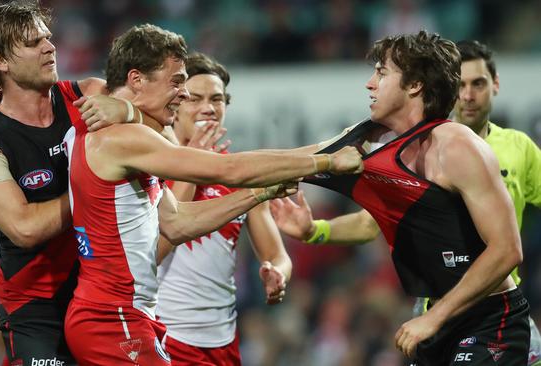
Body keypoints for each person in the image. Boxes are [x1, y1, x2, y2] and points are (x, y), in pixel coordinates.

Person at [63, 24, 362, 365]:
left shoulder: (123, 137)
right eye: (177, 82)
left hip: (128, 318)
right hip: (113, 316)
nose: (181, 93)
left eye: (213, 98)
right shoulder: (127, 139)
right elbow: (230, 170)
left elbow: (176, 223)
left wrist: (260, 193)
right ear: (137, 79)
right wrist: (325, 158)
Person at [272, 38, 541, 366]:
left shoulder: (501, 147)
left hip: (492, 313)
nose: (468, 95)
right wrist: (315, 230)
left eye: (479, 84)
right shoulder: (409, 150)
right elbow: (369, 223)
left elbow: (508, 249)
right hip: (437, 309)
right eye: (463, 85)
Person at [0, 2, 139, 364]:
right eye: (32, 41)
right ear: (0, 61)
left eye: (48, 37)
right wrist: (96, 193)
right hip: (36, 309)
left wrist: (132, 113)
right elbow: (24, 228)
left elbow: (167, 138)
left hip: (103, 293)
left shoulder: (88, 95)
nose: (50, 46)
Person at [153, 52, 291, 366]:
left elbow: (278, 254)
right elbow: (154, 250)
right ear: (176, 104)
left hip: (224, 343)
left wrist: (277, 275)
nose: (208, 108)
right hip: (164, 335)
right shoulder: (151, 166)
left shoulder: (239, 175)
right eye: (195, 98)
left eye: (217, 99)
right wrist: (192, 162)